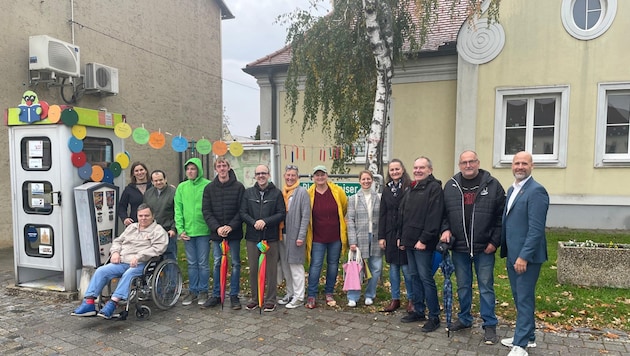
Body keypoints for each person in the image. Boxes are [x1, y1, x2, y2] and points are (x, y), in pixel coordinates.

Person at [439, 150, 506, 344]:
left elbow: (501, 217)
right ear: (459, 165)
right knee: (463, 287)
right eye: (464, 162)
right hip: (459, 248)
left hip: (484, 248)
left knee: (485, 287)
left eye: (471, 162)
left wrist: (494, 242)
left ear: (478, 163)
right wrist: (445, 229)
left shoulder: (492, 185)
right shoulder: (451, 186)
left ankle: (490, 324)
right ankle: (465, 318)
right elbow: (443, 214)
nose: (468, 165)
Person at [71, 204, 168, 319]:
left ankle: (113, 303)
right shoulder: (132, 228)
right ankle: (89, 303)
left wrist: (139, 256)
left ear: (153, 216)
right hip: (122, 261)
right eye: (140, 216)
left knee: (129, 274)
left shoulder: (158, 231)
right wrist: (115, 252)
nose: (143, 218)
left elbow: (158, 248)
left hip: (142, 264)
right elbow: (118, 241)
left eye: (146, 215)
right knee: (102, 270)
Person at [500, 151, 549, 356]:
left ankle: (520, 345)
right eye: (516, 163)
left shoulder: (536, 191)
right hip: (513, 254)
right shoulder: (514, 189)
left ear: (532, 166)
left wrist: (524, 256)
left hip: (525, 258)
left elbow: (536, 229)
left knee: (524, 298)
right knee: (519, 296)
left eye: (524, 163)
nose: (520, 166)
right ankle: (528, 336)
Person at [399, 156, 443, 332]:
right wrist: (402, 238)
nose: (417, 170)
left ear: (430, 170)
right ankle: (418, 310)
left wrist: (423, 240)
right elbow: (404, 215)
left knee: (426, 278)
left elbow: (434, 217)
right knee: (414, 276)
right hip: (409, 241)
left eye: (421, 168)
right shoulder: (412, 188)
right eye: (415, 167)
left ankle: (434, 316)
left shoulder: (434, 188)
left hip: (423, 243)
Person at [240, 164, 286, 312]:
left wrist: (265, 221)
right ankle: (255, 298)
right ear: (255, 176)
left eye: (264, 173)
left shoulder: (276, 193)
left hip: (270, 237)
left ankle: (271, 299)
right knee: (254, 269)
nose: (261, 176)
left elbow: (281, 214)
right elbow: (243, 212)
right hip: (253, 238)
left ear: (269, 175)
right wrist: (254, 223)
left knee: (271, 270)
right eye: (258, 173)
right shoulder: (248, 193)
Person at [201, 158, 245, 310]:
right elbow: (206, 211)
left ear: (228, 167)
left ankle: (233, 295)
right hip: (217, 234)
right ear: (216, 169)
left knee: (235, 264)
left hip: (234, 233)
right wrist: (217, 227)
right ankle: (217, 295)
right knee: (217, 262)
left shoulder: (239, 187)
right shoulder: (209, 188)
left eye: (224, 165)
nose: (222, 168)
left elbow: (242, 210)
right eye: (219, 166)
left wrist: (231, 226)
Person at [305, 165, 348, 309]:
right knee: (315, 266)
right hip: (317, 238)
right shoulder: (309, 193)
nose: (320, 177)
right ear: (313, 178)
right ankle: (312, 295)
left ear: (327, 176)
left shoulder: (337, 191)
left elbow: (344, 207)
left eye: (322, 174)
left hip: (335, 237)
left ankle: (329, 292)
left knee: (333, 265)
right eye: (317, 175)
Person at [379, 159, 415, 313]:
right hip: (390, 234)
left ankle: (412, 299)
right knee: (393, 269)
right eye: (392, 170)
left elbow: (411, 213)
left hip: (405, 233)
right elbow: (382, 213)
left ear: (402, 170)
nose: (394, 172)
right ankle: (395, 299)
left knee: (407, 270)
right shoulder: (386, 189)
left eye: (397, 169)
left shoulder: (410, 187)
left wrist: (405, 236)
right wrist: (382, 236)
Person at [175, 157, 211, 306]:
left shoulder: (207, 185)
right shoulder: (182, 187)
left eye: (193, 168)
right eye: (188, 169)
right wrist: (180, 229)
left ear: (199, 170)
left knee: (203, 263)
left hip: (203, 231)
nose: (190, 171)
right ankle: (193, 291)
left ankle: (203, 291)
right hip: (188, 232)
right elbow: (178, 209)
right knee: (191, 263)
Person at [345, 170, 382, 307]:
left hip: (376, 236)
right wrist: (352, 241)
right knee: (356, 267)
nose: (366, 181)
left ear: (372, 180)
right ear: (359, 181)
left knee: (376, 267)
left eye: (368, 179)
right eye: (363, 179)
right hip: (360, 237)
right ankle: (353, 296)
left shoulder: (379, 197)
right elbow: (351, 221)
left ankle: (369, 294)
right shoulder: (354, 199)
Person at [277, 164, 311, 309]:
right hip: (282, 234)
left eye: (293, 175)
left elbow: (305, 216)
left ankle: (299, 296)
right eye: (288, 175)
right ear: (285, 176)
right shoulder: (282, 192)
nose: (290, 178)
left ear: (297, 177)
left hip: (295, 235)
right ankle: (290, 293)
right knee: (286, 266)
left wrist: (301, 236)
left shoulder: (302, 192)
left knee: (296, 266)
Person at [144, 170, 178, 261]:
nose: (158, 182)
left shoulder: (174, 192)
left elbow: (178, 212)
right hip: (152, 232)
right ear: (152, 182)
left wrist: (173, 228)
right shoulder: (148, 194)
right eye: (155, 181)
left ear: (165, 179)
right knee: (154, 259)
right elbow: (145, 212)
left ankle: (172, 275)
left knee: (170, 258)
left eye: (160, 180)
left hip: (168, 231)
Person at [118, 162, 152, 227]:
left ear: (146, 171)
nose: (139, 172)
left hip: (152, 224)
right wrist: (125, 218)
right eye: (136, 171)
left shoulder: (153, 186)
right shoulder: (129, 189)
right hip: (135, 224)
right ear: (133, 174)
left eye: (141, 170)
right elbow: (121, 206)